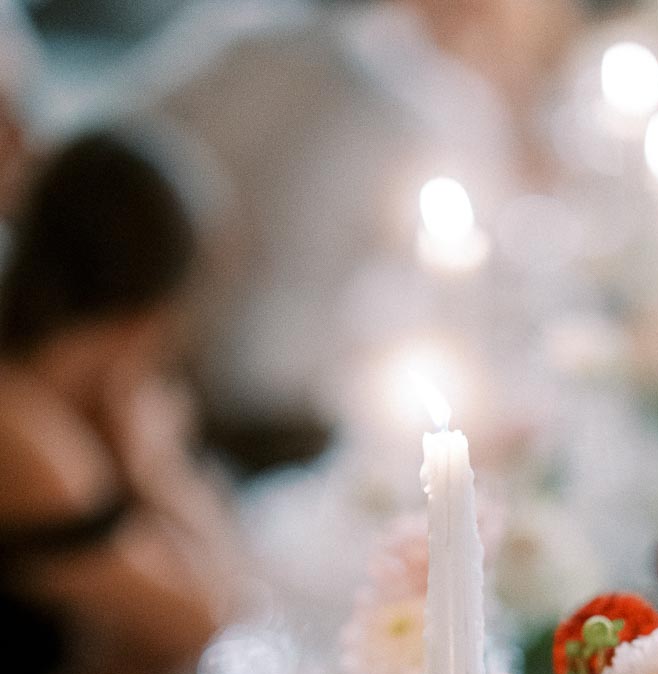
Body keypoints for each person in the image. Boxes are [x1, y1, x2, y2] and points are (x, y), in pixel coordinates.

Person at [113, 0, 582, 458]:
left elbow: (118, 139)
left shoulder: (249, 36)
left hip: (178, 372)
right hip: (290, 414)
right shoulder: (441, 107)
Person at [0, 129, 241, 674]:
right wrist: (154, 468)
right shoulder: (25, 431)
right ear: (154, 311)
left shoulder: (51, 401)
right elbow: (204, 620)